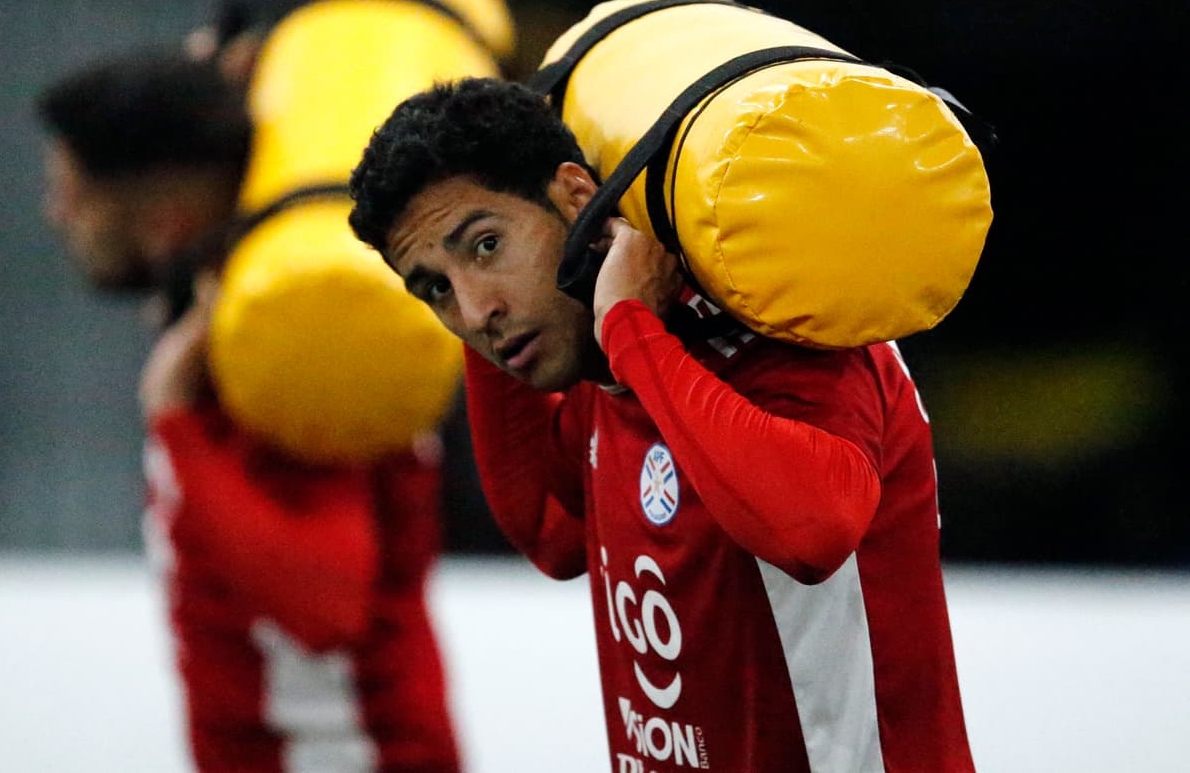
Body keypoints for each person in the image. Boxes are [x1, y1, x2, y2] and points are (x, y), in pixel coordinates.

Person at [347, 76, 978, 772]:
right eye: (435, 287)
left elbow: (813, 534)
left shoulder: (788, 339)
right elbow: (551, 532)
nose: (472, 311)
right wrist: (545, 327)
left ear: (575, 197)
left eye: (486, 245)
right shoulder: (611, 363)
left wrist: (629, 329)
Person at [38, 52, 464, 772]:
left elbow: (322, 608)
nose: (55, 215)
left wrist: (176, 425)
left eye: (71, 193)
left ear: (164, 222)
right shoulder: (246, 333)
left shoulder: (291, 354)